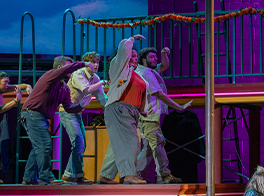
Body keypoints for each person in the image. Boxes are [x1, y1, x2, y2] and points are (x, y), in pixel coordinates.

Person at [20, 56, 87, 185]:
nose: (71, 72)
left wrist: (82, 105)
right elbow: (71, 68)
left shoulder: (65, 88)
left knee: (38, 147)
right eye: (69, 68)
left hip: (40, 116)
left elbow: (69, 108)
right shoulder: (49, 76)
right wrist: (83, 64)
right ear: (59, 68)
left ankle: (28, 178)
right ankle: (46, 177)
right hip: (31, 112)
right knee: (44, 145)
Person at [97, 35, 150, 185]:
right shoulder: (118, 67)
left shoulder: (135, 74)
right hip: (119, 108)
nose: (133, 57)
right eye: (131, 54)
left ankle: (106, 176)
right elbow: (124, 52)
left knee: (118, 145)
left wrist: (143, 110)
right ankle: (129, 176)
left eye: (135, 55)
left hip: (131, 111)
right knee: (130, 142)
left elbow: (142, 92)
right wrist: (131, 39)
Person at [135, 46, 192, 183]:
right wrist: (179, 106)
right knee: (158, 143)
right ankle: (164, 175)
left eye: (155, 57)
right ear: (143, 60)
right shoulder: (147, 73)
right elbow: (159, 94)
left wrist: (163, 54)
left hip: (147, 115)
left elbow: (164, 65)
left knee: (149, 147)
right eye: (151, 57)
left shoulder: (146, 70)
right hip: (149, 115)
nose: (155, 59)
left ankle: (132, 173)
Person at [58, 52, 107, 184]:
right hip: (67, 111)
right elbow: (87, 89)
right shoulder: (78, 73)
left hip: (77, 112)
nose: (96, 65)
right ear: (86, 63)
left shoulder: (95, 77)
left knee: (81, 144)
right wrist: (102, 82)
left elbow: (102, 98)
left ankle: (70, 174)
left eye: (97, 62)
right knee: (78, 142)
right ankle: (76, 175)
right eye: (93, 62)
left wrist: (109, 108)